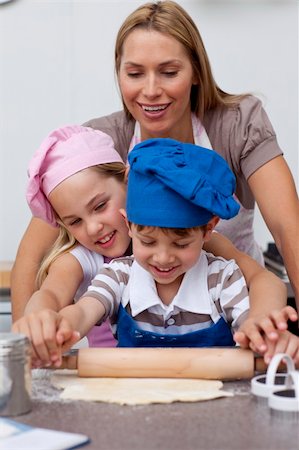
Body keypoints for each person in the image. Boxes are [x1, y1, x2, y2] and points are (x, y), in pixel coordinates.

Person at [11, 1, 298, 337]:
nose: (150, 90)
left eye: (169, 72)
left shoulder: (237, 124)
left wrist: (262, 325)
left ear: (196, 72)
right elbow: (33, 260)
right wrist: (27, 353)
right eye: (134, 74)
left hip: (238, 321)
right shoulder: (101, 143)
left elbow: (286, 228)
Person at [13, 139, 298, 368]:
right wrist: (46, 322)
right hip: (121, 383)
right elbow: (69, 304)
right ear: (130, 223)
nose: (163, 257)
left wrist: (262, 326)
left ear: (207, 231)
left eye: (181, 243)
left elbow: (263, 281)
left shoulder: (219, 274)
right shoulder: (116, 273)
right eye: (148, 242)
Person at [14, 125, 133, 353]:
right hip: (107, 383)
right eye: (75, 221)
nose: (93, 228)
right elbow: (50, 293)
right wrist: (39, 317)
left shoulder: (176, 240)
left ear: (127, 183)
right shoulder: (83, 260)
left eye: (100, 206)